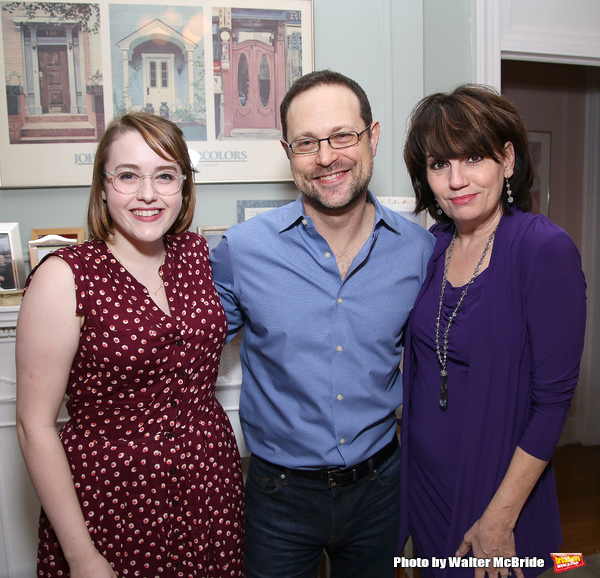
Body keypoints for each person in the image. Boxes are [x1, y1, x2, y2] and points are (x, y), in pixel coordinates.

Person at [210, 69, 435, 577]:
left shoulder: (418, 251)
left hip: (382, 489)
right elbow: (181, 354)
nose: (327, 156)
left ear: (372, 137)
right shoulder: (243, 251)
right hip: (278, 497)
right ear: (287, 151)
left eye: (342, 136)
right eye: (307, 142)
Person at [16, 112, 245, 577]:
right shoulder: (66, 276)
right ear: (102, 185)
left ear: (183, 185)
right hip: (112, 504)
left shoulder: (197, 257)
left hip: (210, 489)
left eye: (164, 176)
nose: (147, 193)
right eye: (127, 176)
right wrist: (81, 556)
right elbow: (33, 425)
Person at [400, 84, 586, 578]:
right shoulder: (433, 247)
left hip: (497, 491)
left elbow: (552, 403)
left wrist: (499, 520)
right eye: (439, 164)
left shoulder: (543, 250)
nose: (456, 180)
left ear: (506, 159)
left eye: (473, 158)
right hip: (426, 485)